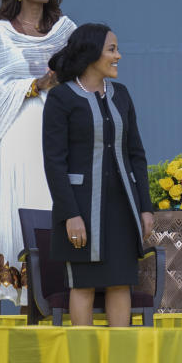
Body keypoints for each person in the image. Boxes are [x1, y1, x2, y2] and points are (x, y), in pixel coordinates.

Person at [0, 0, 76, 306]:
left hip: (56, 133)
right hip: (17, 133)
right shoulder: (1, 33)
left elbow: (82, 76)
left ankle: (54, 293)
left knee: (53, 201)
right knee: (21, 207)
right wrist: (38, 83)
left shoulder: (66, 30)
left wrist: (59, 83)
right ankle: (19, 298)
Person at [42, 24, 154, 326]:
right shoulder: (61, 98)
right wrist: (70, 214)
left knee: (121, 283)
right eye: (112, 49)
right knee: (83, 285)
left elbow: (136, 156)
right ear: (91, 54)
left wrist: (145, 207)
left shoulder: (122, 95)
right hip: (80, 209)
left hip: (122, 208)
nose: (119, 55)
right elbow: (54, 163)